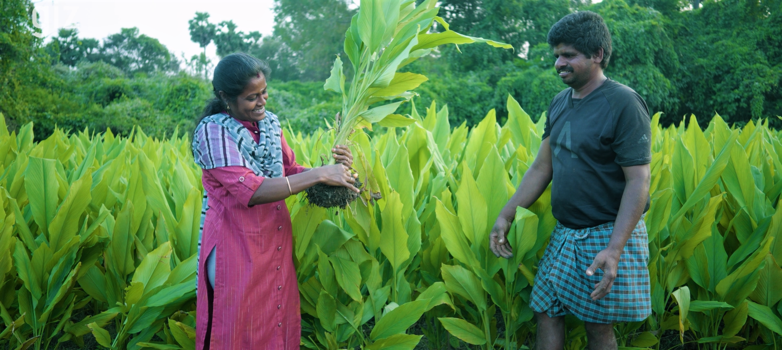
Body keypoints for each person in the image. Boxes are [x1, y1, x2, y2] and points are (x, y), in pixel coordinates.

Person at [489, 11, 652, 350]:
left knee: (598, 327)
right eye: (556, 56)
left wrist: (615, 249)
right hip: (567, 234)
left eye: (569, 55)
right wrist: (506, 215)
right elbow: (541, 168)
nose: (559, 63)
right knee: (546, 309)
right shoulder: (560, 102)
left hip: (606, 233)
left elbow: (638, 181)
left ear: (597, 55)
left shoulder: (623, 103)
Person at [192, 52, 359, 350]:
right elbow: (251, 191)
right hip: (235, 246)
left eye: (264, 91)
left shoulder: (269, 124)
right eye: (251, 97)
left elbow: (290, 170)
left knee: (274, 322)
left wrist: (339, 174)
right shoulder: (213, 131)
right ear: (225, 97)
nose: (262, 101)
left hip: (274, 242)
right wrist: (319, 174)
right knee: (237, 329)